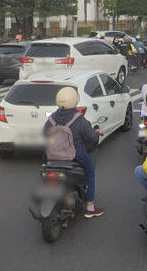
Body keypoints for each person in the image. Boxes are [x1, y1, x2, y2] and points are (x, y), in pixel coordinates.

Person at [43, 87, 104, 218]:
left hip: (52, 157)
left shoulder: (51, 119)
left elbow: (44, 136)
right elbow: (91, 138)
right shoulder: (79, 119)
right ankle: (90, 207)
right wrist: (97, 133)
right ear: (75, 100)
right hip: (75, 156)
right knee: (90, 174)